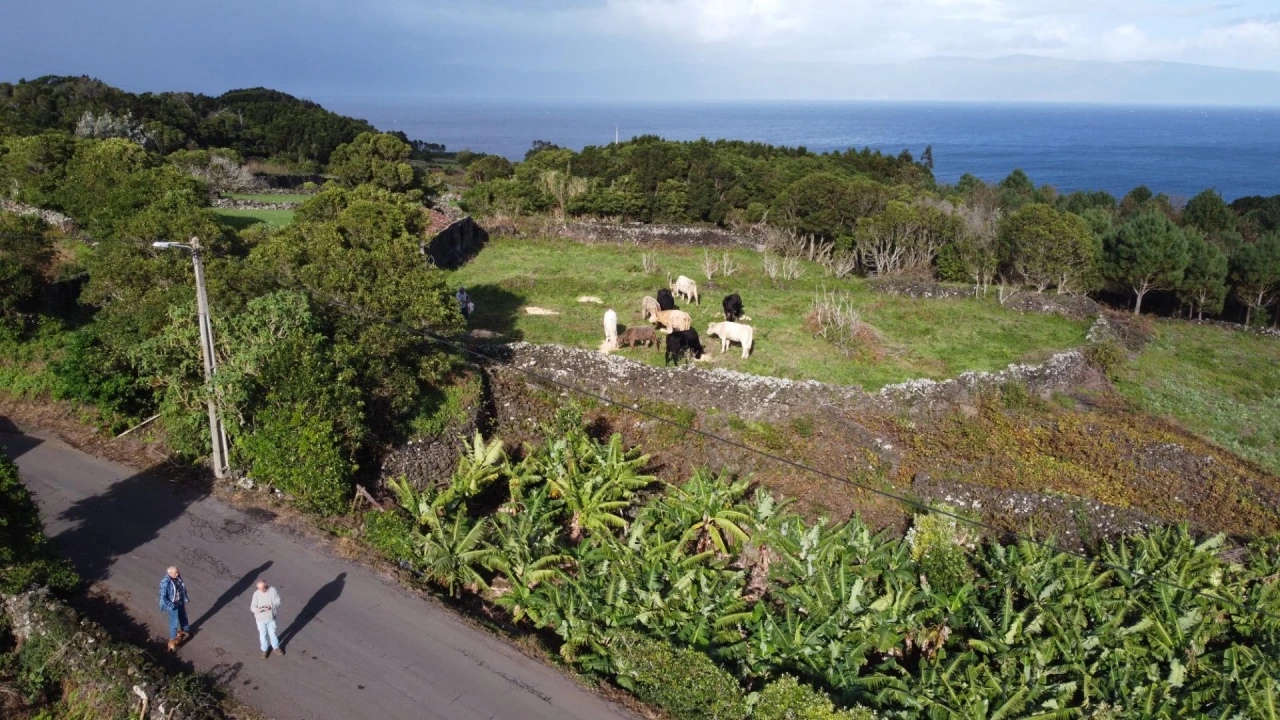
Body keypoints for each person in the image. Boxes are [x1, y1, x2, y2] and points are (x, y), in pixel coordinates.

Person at [251, 579, 284, 659]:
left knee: (272, 633)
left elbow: (278, 602)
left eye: (262, 588)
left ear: (265, 586)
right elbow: (252, 607)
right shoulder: (256, 594)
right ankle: (264, 650)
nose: (261, 590)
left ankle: (275, 648)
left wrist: (271, 606)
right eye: (259, 589)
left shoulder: (273, 590)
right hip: (260, 619)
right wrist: (258, 609)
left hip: (271, 617)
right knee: (263, 635)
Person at [158, 566, 191, 642]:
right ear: (170, 573)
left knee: (183, 617)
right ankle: (173, 639)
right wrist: (172, 605)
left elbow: (182, 587)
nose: (177, 574)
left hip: (180, 602)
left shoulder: (178, 577)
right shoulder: (165, 582)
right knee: (174, 622)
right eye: (175, 573)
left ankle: (186, 632)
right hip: (173, 605)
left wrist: (184, 597)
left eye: (177, 572)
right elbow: (163, 597)